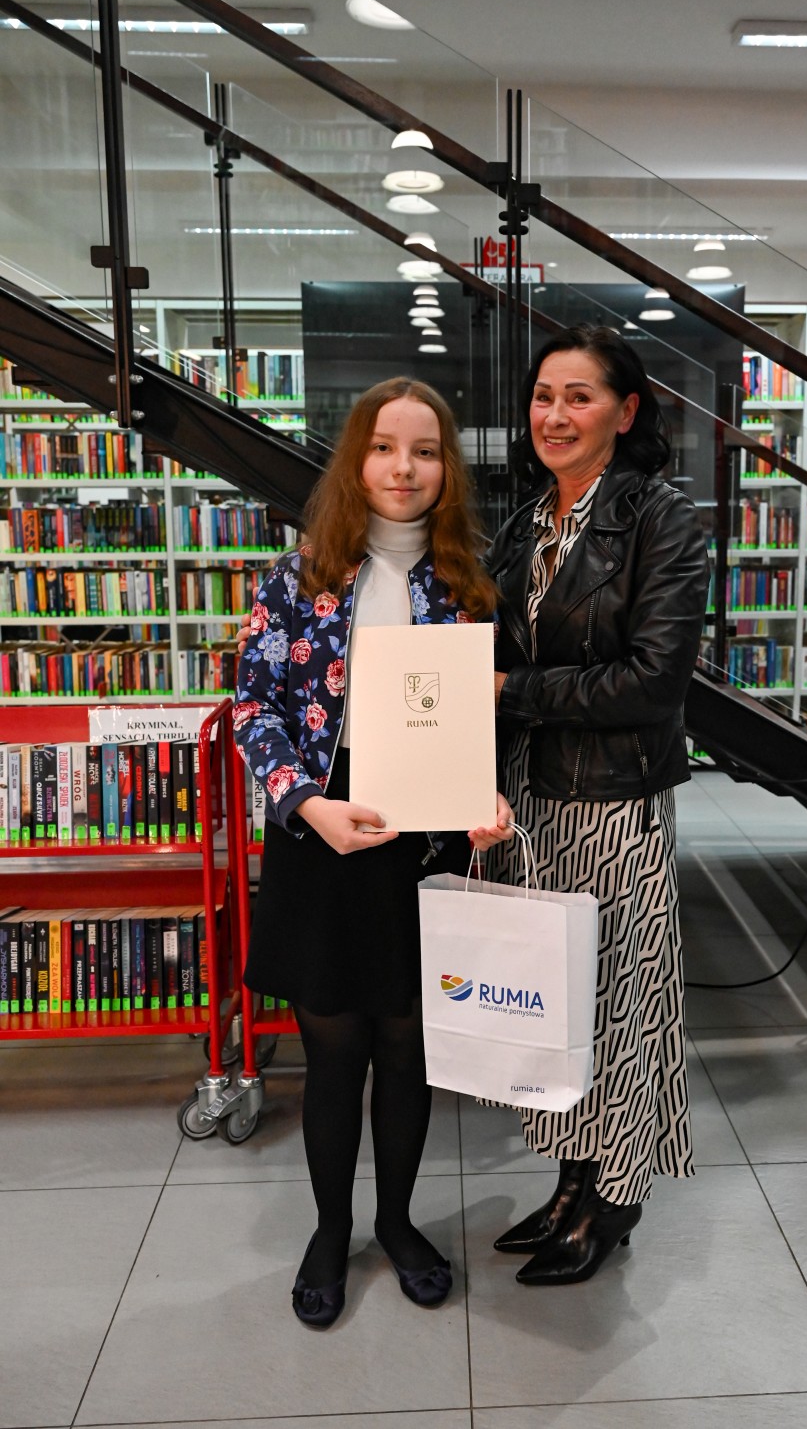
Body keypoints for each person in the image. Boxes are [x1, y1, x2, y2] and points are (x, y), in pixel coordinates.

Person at [232, 377, 513, 1329]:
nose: (403, 468)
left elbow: (485, 720)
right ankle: (330, 1230)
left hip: (420, 840)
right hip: (323, 829)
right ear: (356, 460)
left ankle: (395, 1221)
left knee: (406, 1045)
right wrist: (305, 803)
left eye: (425, 451)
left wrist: (485, 798)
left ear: (447, 468)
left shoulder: (469, 582)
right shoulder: (299, 575)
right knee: (334, 1049)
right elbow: (253, 706)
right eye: (384, 447)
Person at [486, 323, 709, 1286]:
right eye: (544, 395)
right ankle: (572, 1179)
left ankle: (615, 1198)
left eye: (579, 396)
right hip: (532, 799)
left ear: (626, 412)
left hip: (615, 802)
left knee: (619, 999)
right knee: (555, 1001)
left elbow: (654, 682)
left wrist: (514, 692)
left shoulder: (663, 518)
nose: (556, 414)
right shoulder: (524, 524)